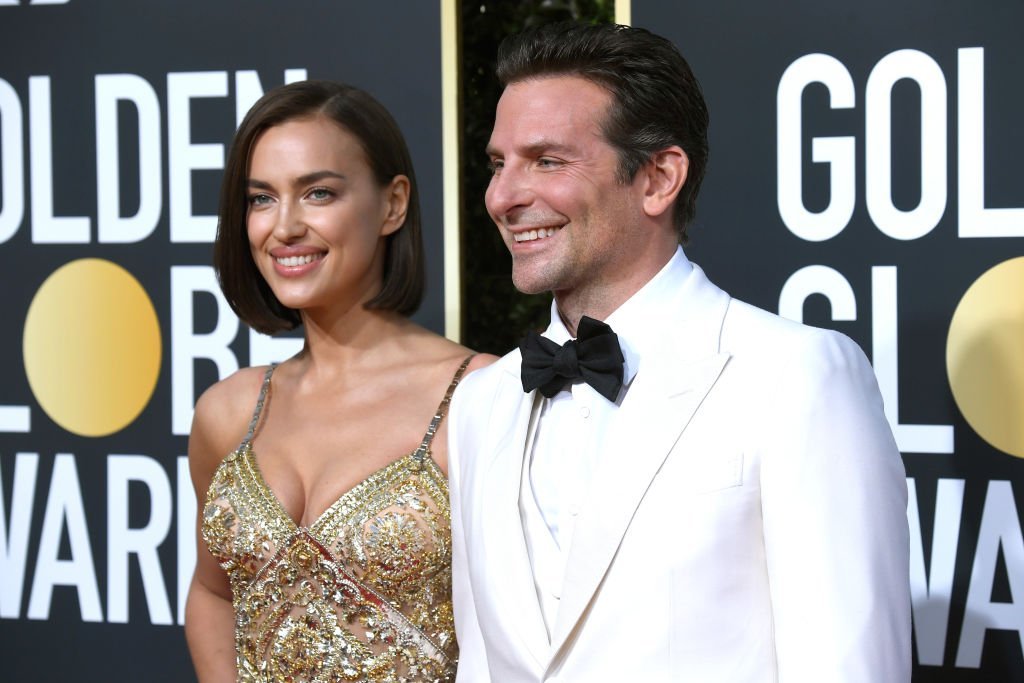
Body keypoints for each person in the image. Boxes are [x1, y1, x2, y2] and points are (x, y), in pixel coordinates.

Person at [447, 22, 911, 682]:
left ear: (659, 178)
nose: (503, 197)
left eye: (546, 161)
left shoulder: (795, 377)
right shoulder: (482, 403)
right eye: (499, 164)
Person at [184, 80, 492, 683]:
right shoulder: (229, 410)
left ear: (393, 204)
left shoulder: (478, 394)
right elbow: (212, 593)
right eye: (261, 199)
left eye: (318, 193)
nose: (285, 227)